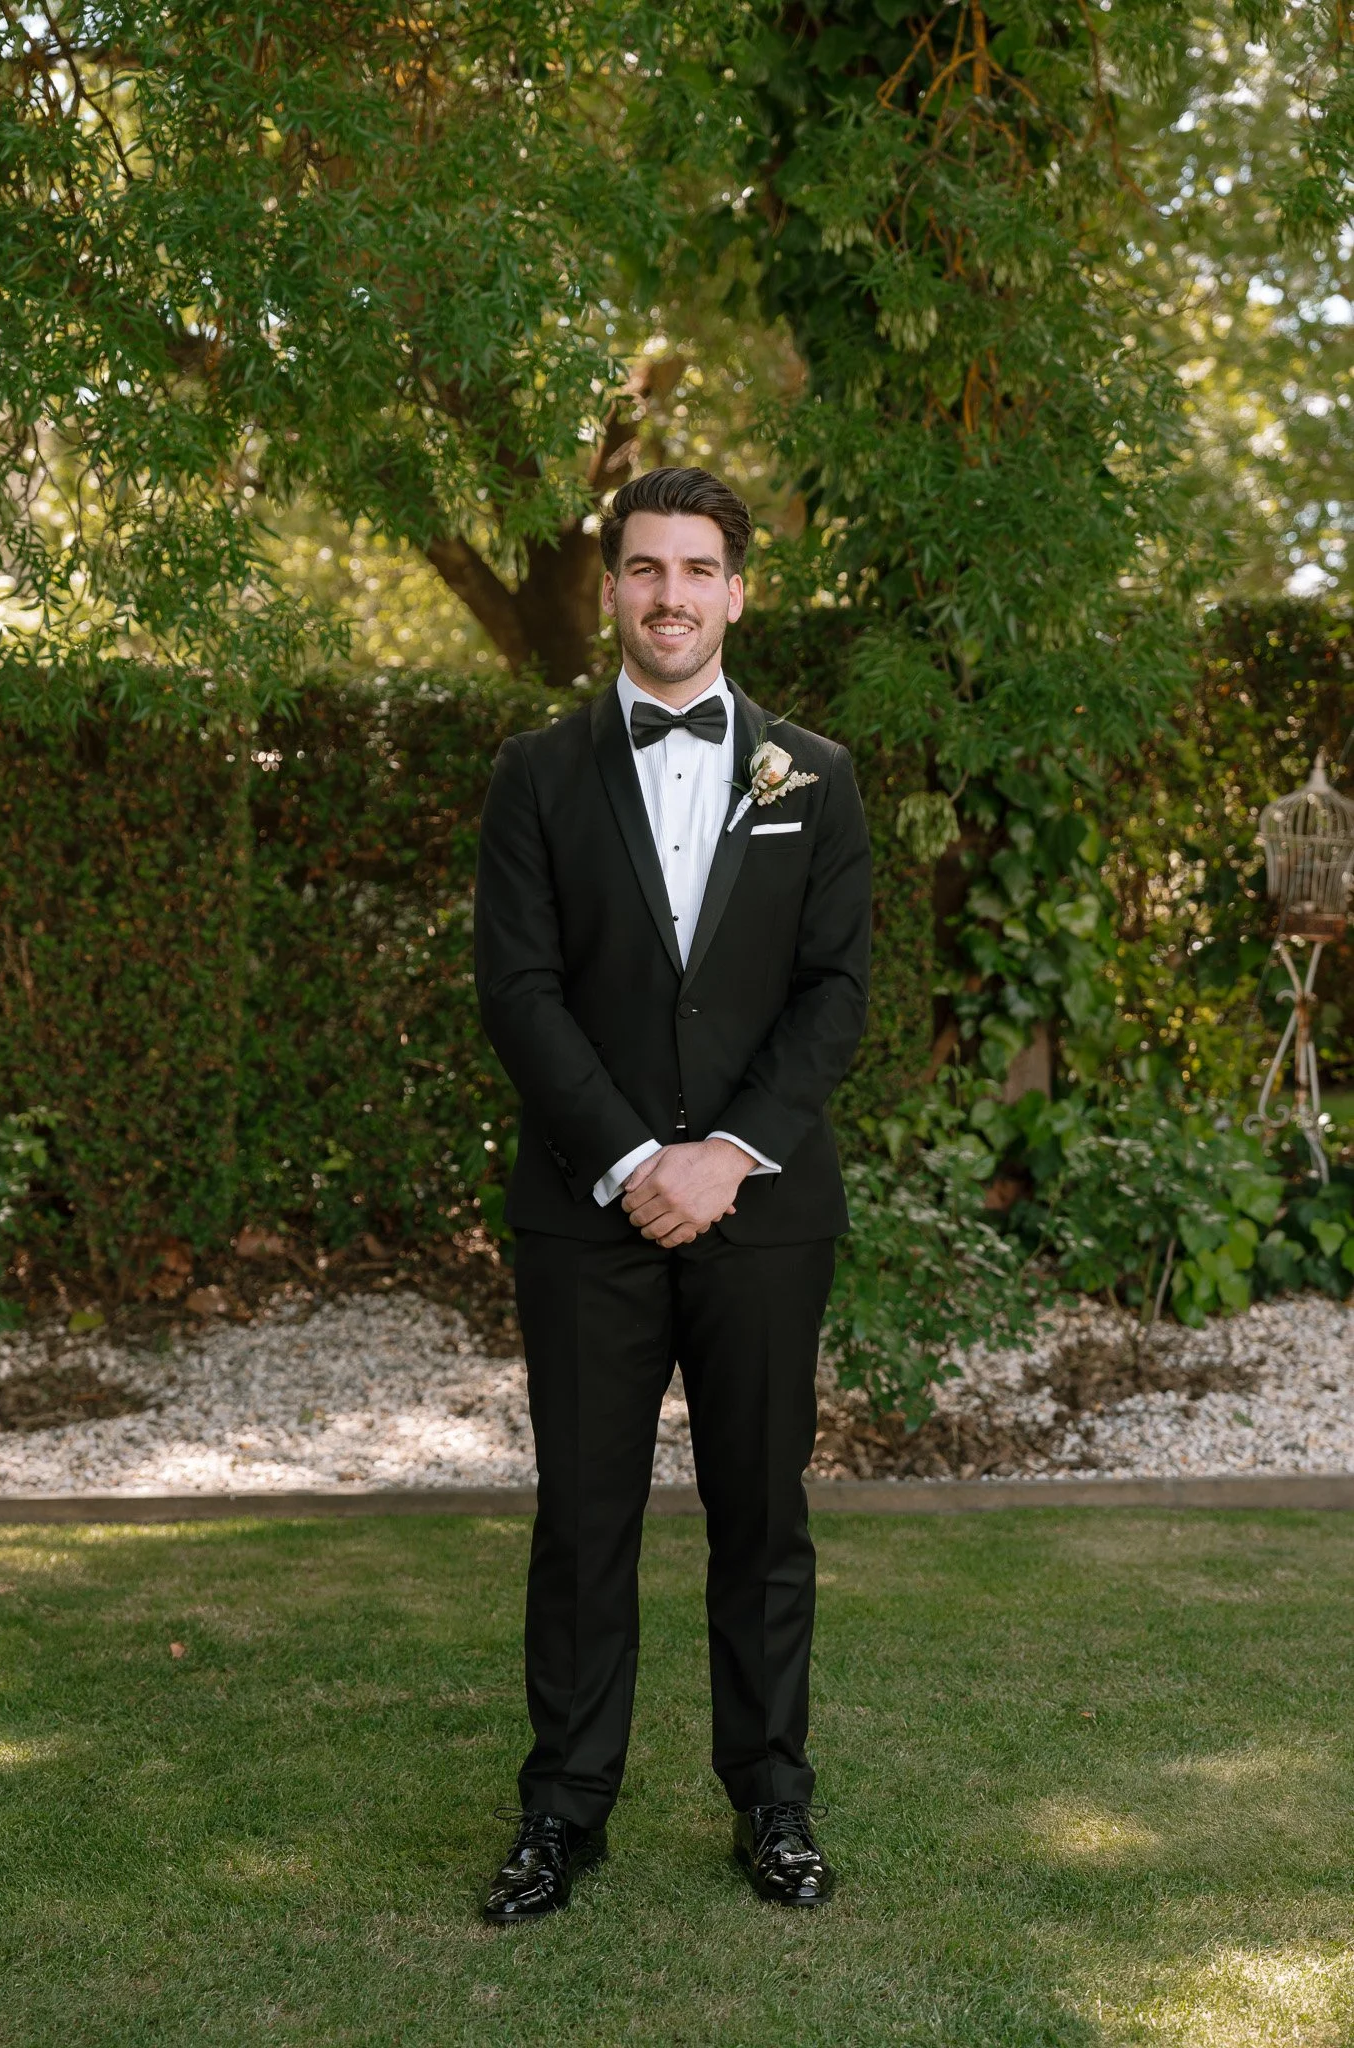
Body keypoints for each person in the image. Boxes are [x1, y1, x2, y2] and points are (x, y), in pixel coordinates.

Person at [473, 465, 871, 1921]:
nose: (671, 598)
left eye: (698, 571)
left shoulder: (815, 775)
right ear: (614, 588)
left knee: (762, 1516)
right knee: (585, 1521)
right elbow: (517, 994)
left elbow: (835, 996)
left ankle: (774, 1803)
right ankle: (563, 1814)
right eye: (646, 570)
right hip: (589, 1215)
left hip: (766, 1210)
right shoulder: (535, 774)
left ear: (738, 591)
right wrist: (639, 1160)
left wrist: (725, 1156)